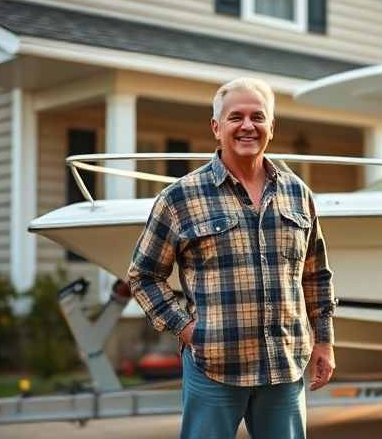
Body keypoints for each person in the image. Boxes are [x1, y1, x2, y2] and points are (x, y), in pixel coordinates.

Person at [127, 77, 337, 438]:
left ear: (271, 126)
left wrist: (324, 341)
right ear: (216, 127)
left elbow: (315, 274)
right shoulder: (179, 198)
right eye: (235, 117)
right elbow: (143, 275)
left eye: (258, 116)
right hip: (214, 368)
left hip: (283, 368)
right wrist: (188, 329)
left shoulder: (298, 193)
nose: (247, 126)